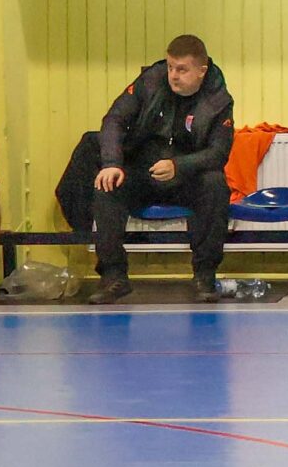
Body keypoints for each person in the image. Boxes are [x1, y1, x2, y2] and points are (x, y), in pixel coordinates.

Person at [76, 34, 235, 305]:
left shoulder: (219, 101)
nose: (173, 75)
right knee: (107, 185)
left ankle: (204, 275)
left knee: (215, 184)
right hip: (143, 170)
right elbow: (114, 119)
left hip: (186, 178)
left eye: (182, 69)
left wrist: (179, 166)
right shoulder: (150, 81)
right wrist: (112, 164)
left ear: (201, 71)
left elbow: (218, 153)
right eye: (171, 67)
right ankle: (113, 276)